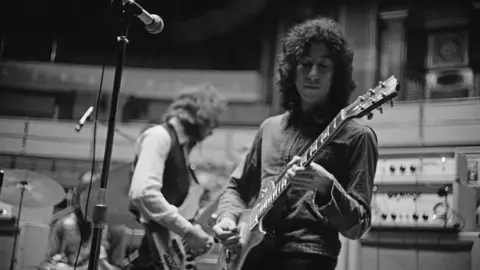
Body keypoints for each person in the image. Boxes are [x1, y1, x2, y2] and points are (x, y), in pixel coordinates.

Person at [213, 16, 379, 270]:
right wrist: (227, 218)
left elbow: (358, 226)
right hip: (250, 254)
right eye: (305, 64)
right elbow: (237, 188)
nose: (313, 74)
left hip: (308, 256)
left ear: (337, 75)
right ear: (292, 70)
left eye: (323, 66)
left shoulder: (357, 136)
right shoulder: (269, 128)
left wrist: (327, 187)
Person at [128, 84, 228, 269]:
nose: (212, 131)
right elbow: (143, 192)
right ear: (201, 116)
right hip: (155, 250)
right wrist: (189, 232)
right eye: (213, 122)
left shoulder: (181, 149)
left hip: (166, 251)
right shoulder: (159, 136)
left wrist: (193, 238)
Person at [39, 171, 127, 270]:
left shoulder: (115, 228)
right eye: (87, 196)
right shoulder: (63, 224)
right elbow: (46, 264)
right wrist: (55, 266)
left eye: (95, 196)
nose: (91, 202)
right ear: (78, 196)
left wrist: (104, 265)